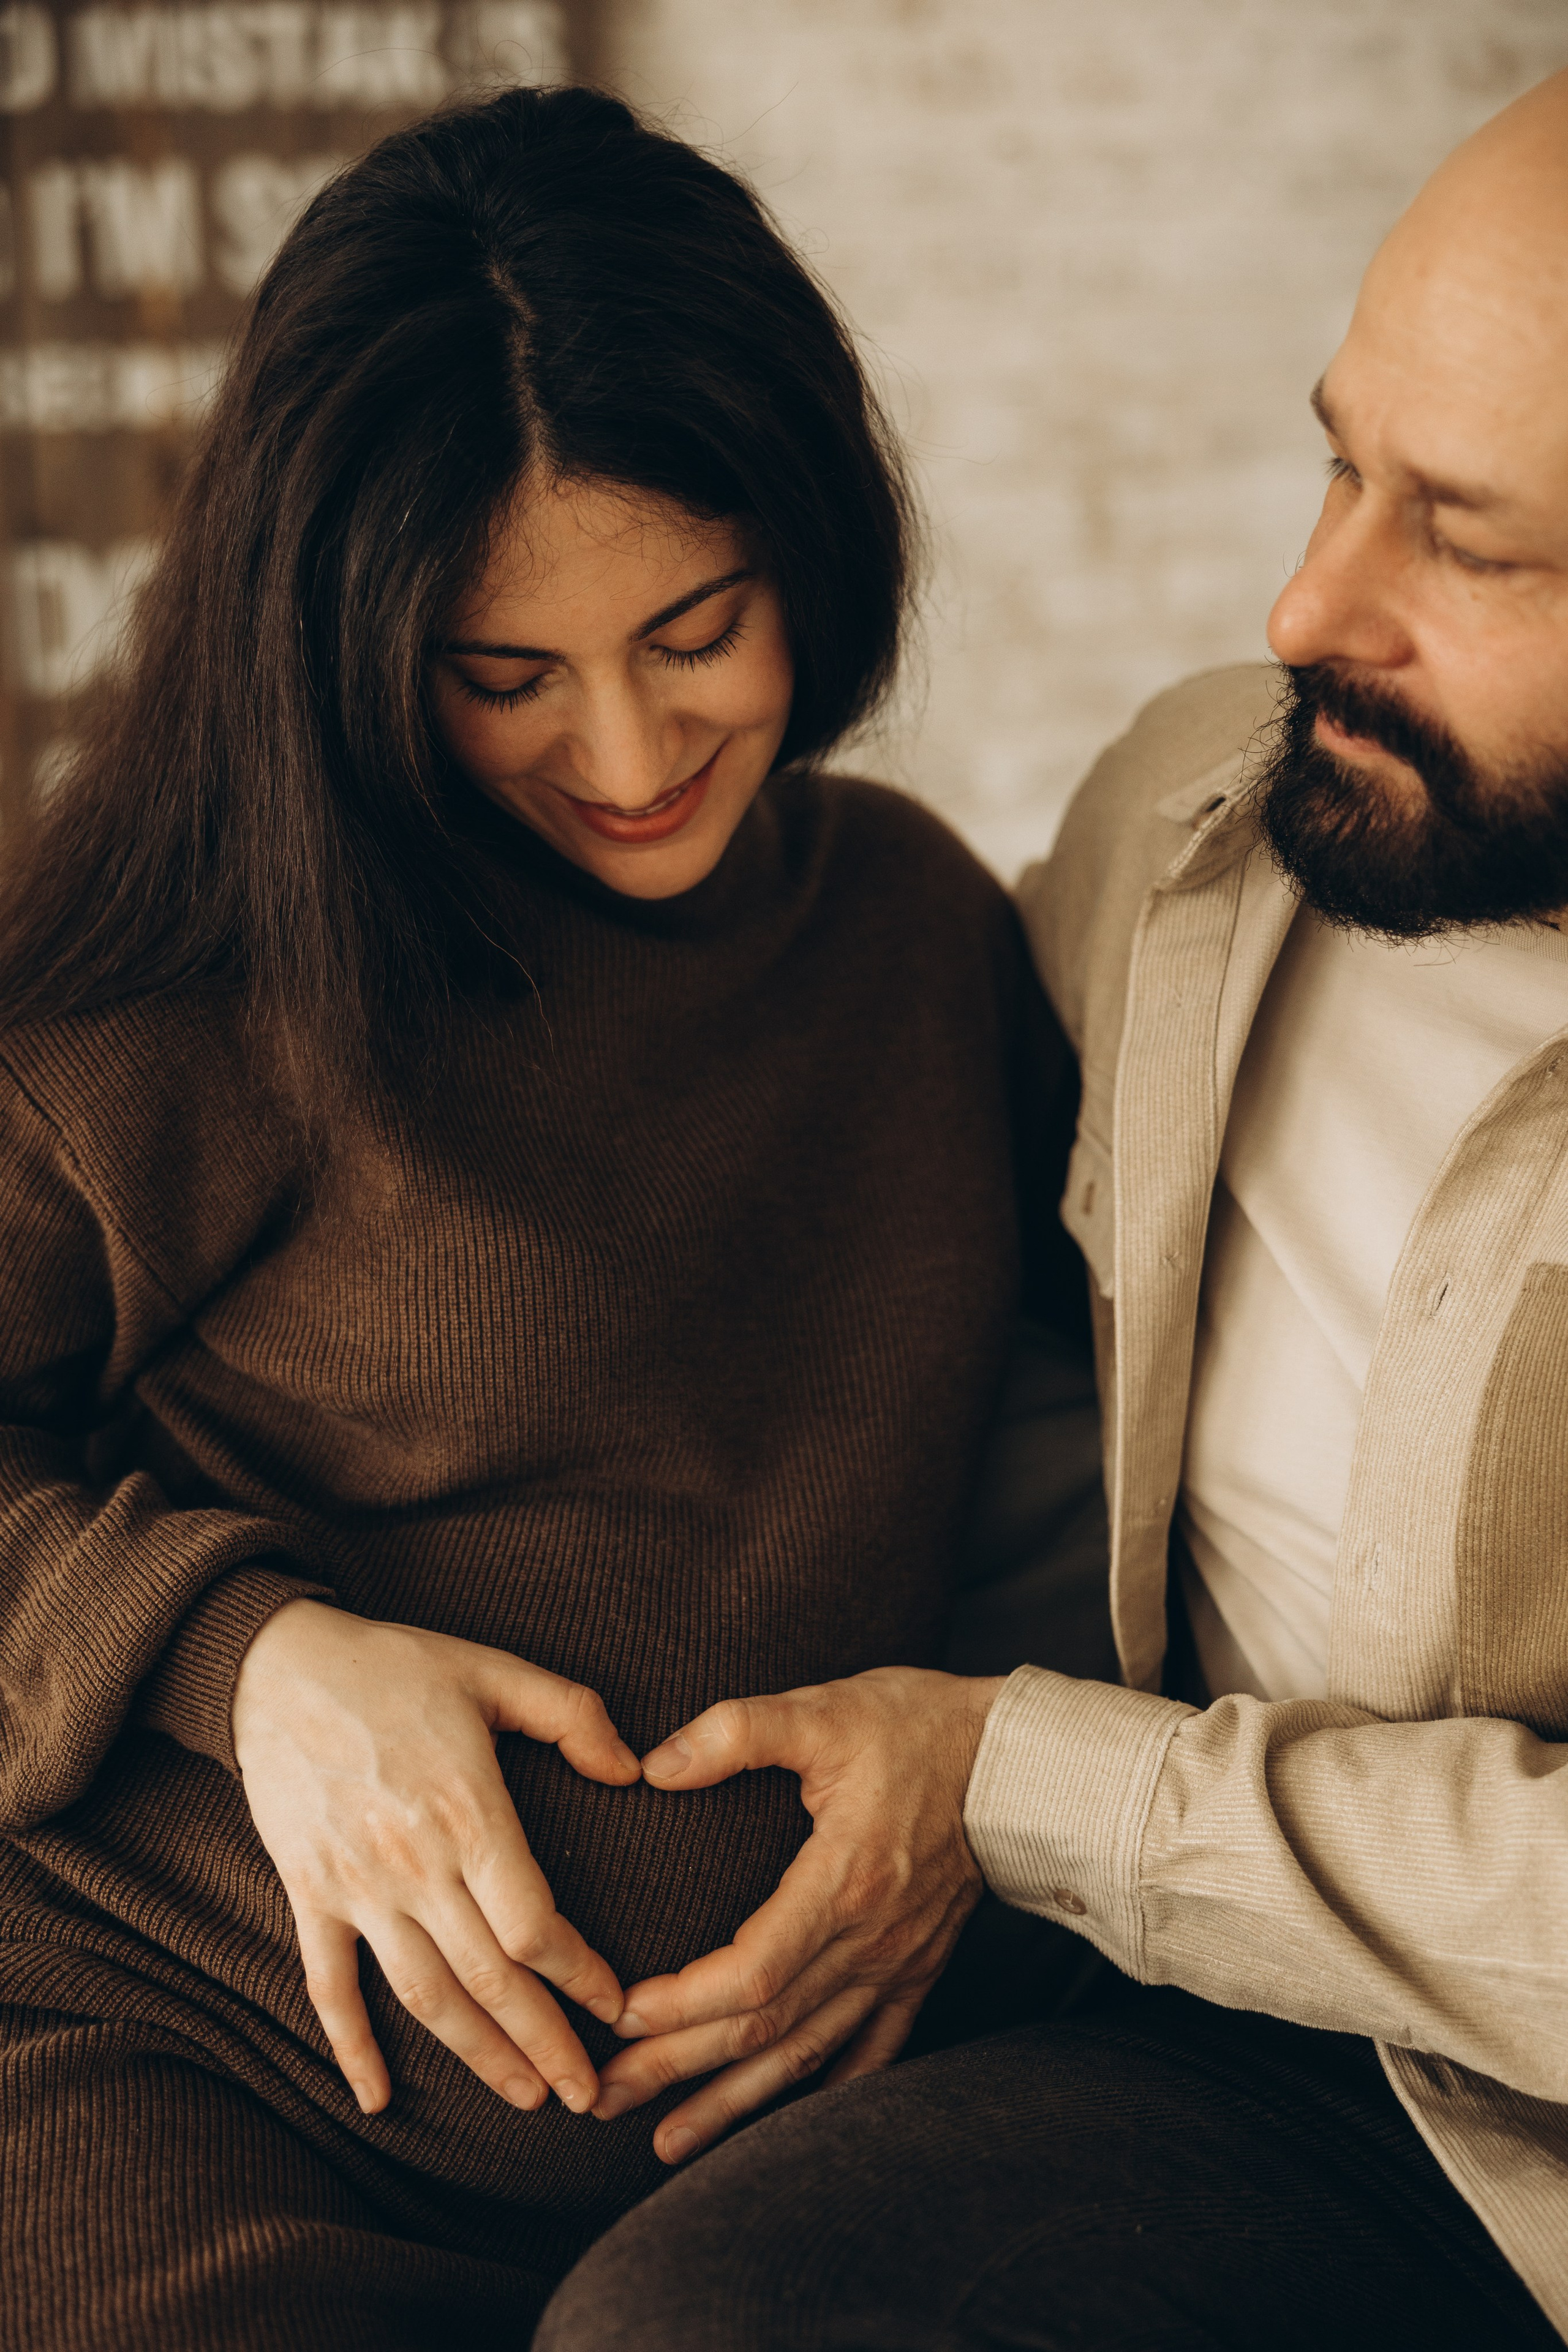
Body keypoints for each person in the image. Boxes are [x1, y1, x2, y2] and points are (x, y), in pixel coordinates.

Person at [0, 85, 1083, 2350]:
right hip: (174, 2073)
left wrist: (982, 1774)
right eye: (505, 678)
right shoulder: (173, 977)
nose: (625, 751)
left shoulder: (921, 941)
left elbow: (1087, 1495)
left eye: (697, 626)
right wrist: (250, 1664)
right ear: (353, 643)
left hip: (773, 2163)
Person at [538, 66, 1568, 2352]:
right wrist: (271, 1648)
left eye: (1471, 544)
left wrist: (1027, 1782)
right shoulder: (1217, 824)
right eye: (1342, 462)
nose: (1315, 600)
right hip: (1291, 2070)